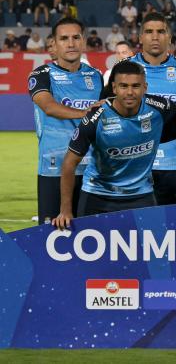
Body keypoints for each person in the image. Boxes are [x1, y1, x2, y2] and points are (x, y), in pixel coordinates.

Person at [51, 61, 176, 228]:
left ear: (145, 87)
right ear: (114, 88)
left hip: (141, 195)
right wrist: (65, 210)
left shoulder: (160, 108)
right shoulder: (96, 118)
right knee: (94, 253)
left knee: (145, 252)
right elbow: (69, 163)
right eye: (123, 86)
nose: (130, 92)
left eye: (136, 86)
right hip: (97, 196)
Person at [104, 12, 176, 206]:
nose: (155, 36)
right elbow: (105, 110)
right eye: (149, 32)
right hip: (130, 164)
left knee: (173, 228)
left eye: (161, 31)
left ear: (169, 37)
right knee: (131, 230)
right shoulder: (124, 68)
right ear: (140, 37)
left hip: (173, 165)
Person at [28, 17, 103, 224]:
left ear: (83, 41)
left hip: (91, 170)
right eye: (64, 38)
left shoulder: (96, 76)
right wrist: (86, 113)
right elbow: (49, 107)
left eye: (76, 37)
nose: (71, 43)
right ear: (54, 43)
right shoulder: (42, 74)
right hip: (54, 168)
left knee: (91, 234)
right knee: (52, 237)